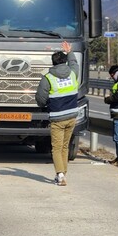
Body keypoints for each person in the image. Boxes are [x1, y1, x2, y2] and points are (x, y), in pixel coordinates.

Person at [35, 41, 79, 186]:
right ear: (65, 61)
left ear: (53, 62)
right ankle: (62, 174)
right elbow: (74, 64)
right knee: (65, 146)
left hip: (57, 118)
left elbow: (40, 99)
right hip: (72, 116)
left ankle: (60, 175)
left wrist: (45, 104)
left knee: (57, 148)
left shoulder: (48, 78)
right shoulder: (72, 74)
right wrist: (70, 51)